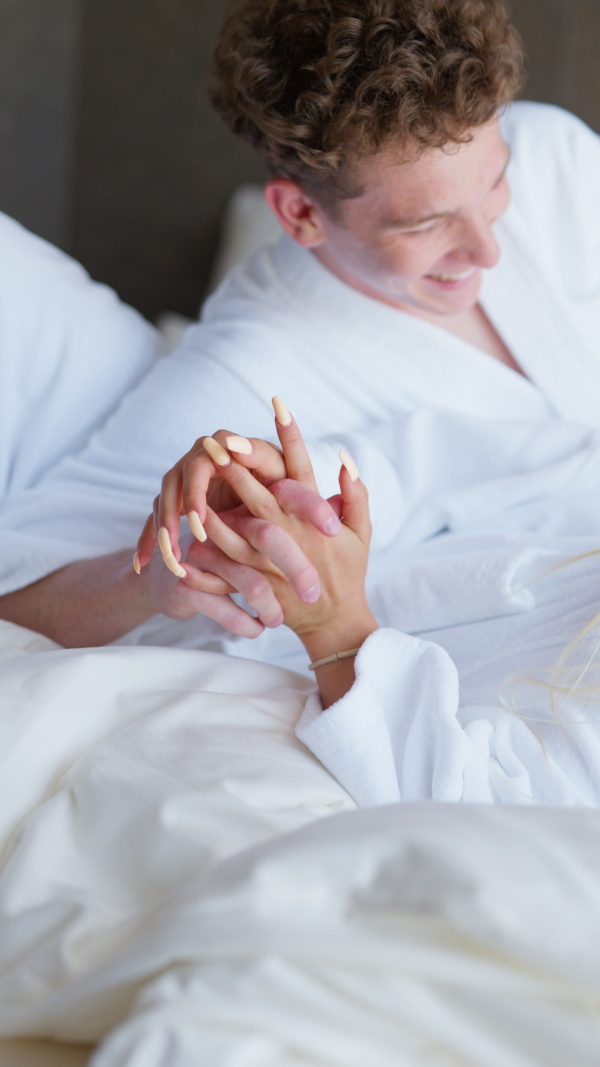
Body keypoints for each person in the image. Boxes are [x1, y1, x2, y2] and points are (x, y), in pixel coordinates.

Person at [2, 0, 600, 655]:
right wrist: (155, 580)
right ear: (299, 215)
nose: (488, 249)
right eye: (424, 225)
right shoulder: (241, 372)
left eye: (495, 183)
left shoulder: (553, 154)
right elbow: (18, 602)